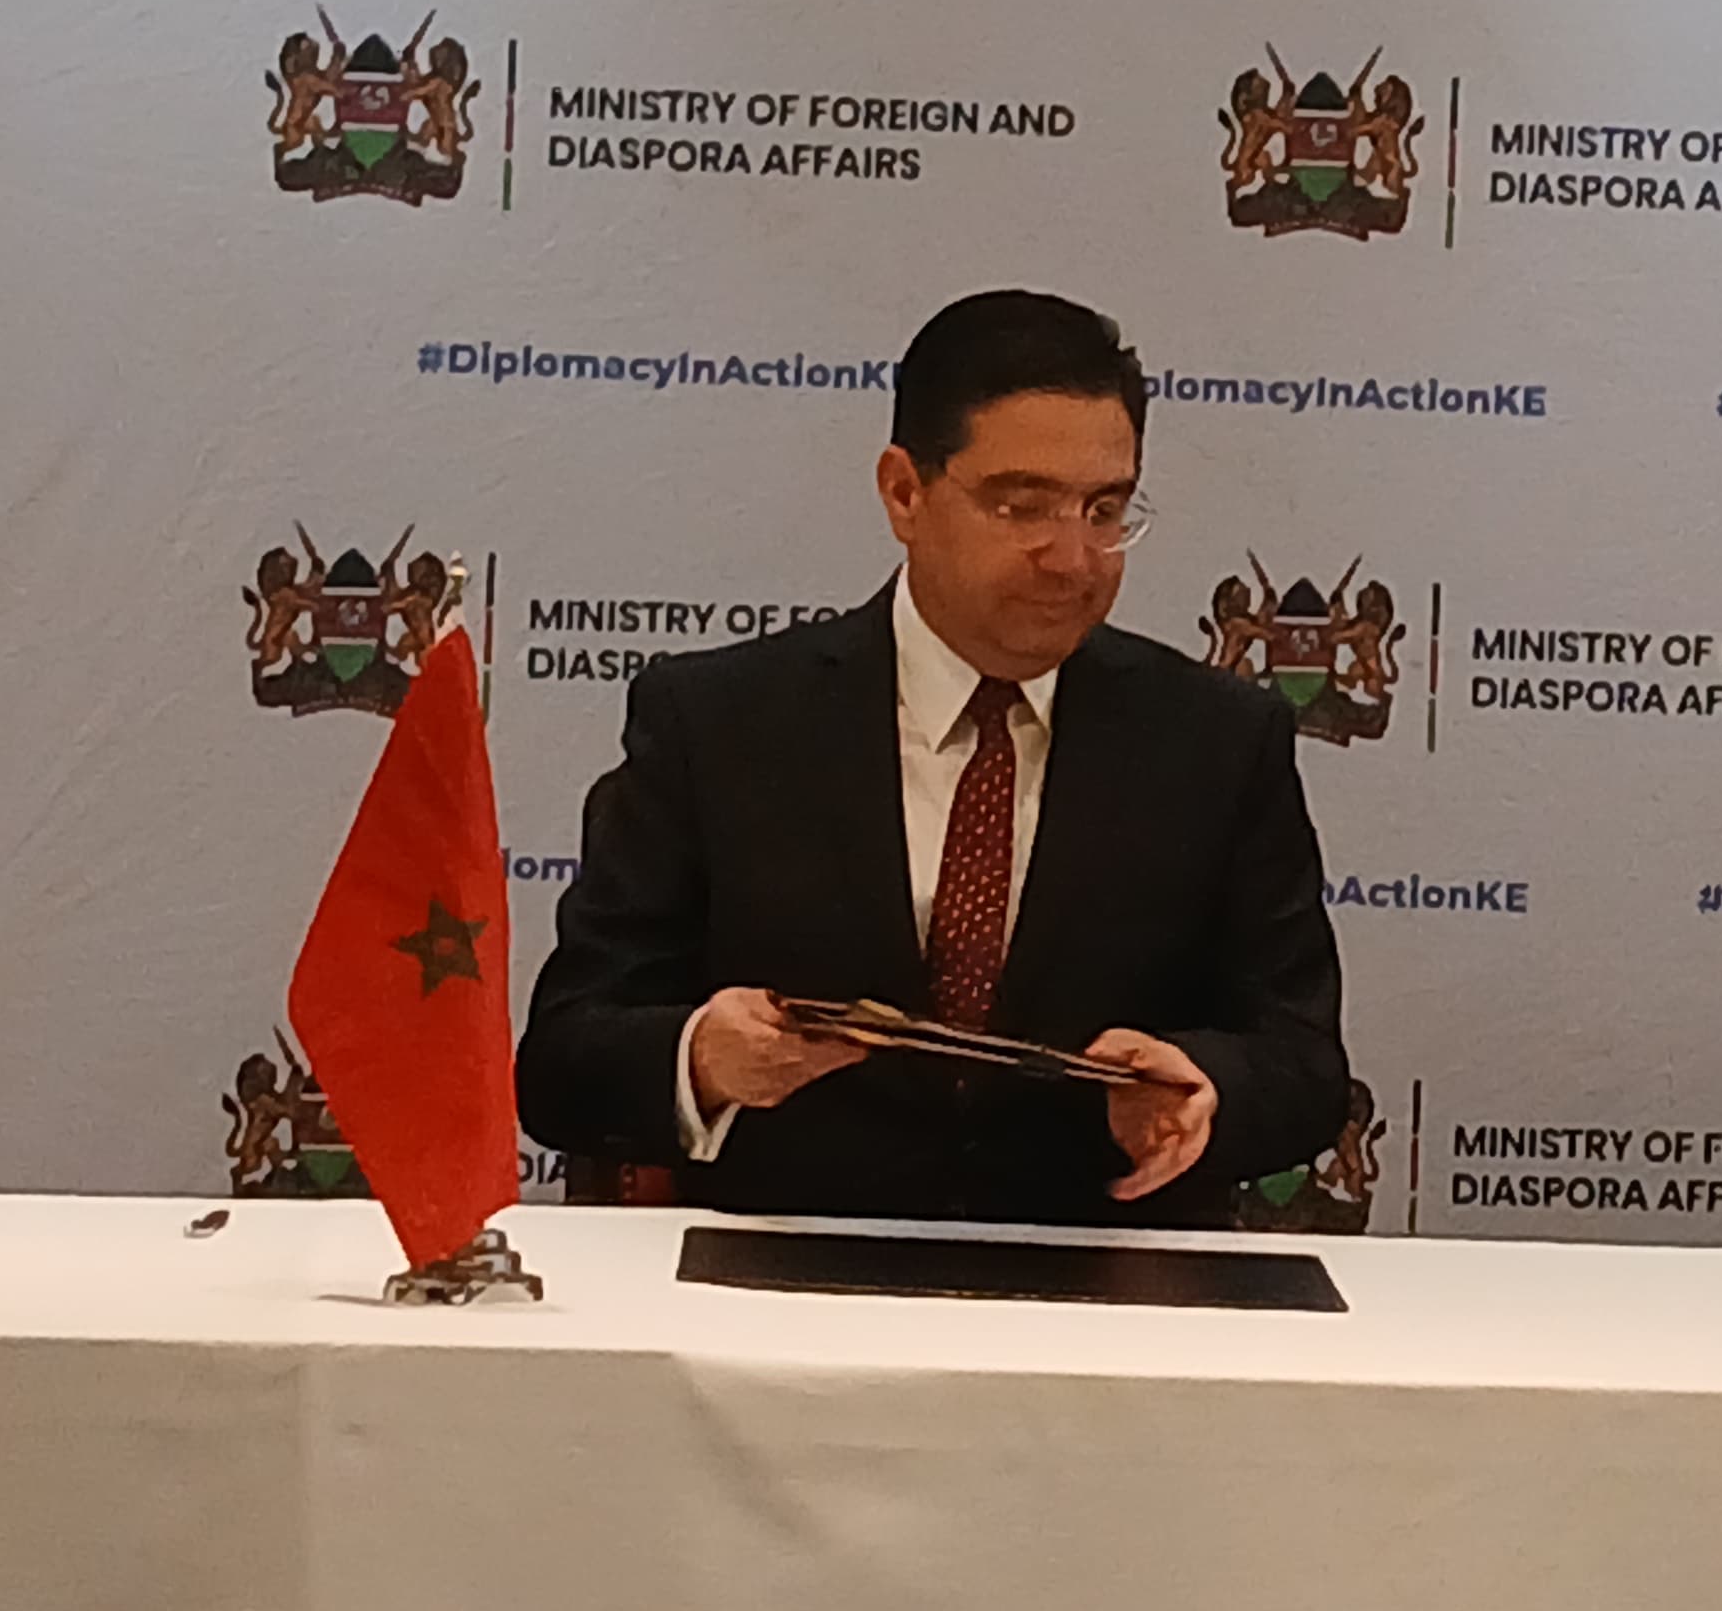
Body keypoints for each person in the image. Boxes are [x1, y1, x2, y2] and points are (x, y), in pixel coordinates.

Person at [519, 290, 1347, 1224]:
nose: (1075, 558)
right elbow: (563, 1063)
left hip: (1108, 1294)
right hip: (786, 1299)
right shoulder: (718, 722)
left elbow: (1303, 1065)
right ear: (904, 493)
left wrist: (1208, 1087)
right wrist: (702, 1058)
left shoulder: (1219, 740)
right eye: (1022, 505)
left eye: (1105, 509)